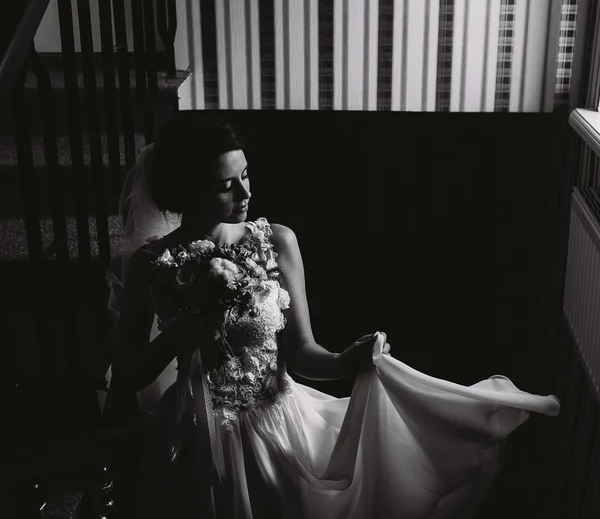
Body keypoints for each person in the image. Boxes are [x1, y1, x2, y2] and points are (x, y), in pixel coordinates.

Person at [105, 112, 560, 519]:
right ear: (188, 189)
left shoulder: (276, 242)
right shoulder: (153, 264)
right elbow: (126, 375)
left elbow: (301, 352)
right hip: (191, 437)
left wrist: (346, 361)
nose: (245, 192)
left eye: (246, 175)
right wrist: (182, 334)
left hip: (279, 425)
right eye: (226, 185)